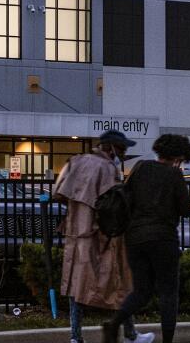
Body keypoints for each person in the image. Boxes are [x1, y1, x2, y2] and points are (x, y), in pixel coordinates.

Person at [54, 130, 153, 343]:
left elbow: (59, 193)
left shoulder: (75, 161)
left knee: (76, 286)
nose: (124, 154)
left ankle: (75, 336)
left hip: (75, 232)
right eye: (122, 149)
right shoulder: (107, 167)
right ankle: (131, 334)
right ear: (111, 148)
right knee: (120, 283)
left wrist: (77, 211)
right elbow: (113, 204)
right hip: (101, 235)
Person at [102, 134, 190, 343]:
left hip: (135, 238)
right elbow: (186, 210)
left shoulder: (141, 167)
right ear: (178, 156)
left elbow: (127, 197)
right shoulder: (174, 175)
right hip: (163, 238)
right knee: (168, 292)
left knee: (142, 290)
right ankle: (167, 340)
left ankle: (115, 322)